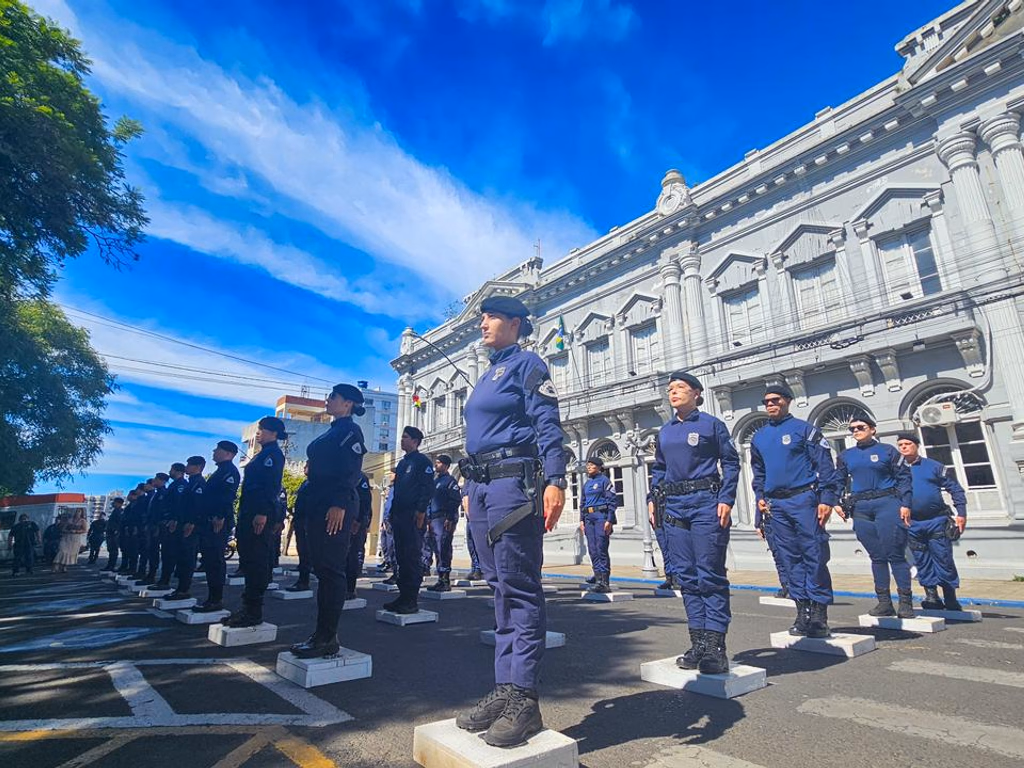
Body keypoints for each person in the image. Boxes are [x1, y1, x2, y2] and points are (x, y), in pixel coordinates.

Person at [456, 295, 565, 748]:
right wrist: (467, 489)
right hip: (481, 487)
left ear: (515, 323)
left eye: (491, 317)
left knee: (520, 588)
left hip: (513, 486)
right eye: (482, 316)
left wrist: (556, 478)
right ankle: (505, 688)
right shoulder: (486, 374)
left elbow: (548, 422)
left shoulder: (527, 364)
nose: (482, 323)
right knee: (498, 588)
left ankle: (524, 698)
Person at [649, 371, 739, 675]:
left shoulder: (711, 425)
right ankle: (698, 642)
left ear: (696, 393)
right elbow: (659, 469)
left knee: (709, 574)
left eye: (680, 388)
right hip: (674, 506)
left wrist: (726, 498)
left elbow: (730, 462)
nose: (673, 392)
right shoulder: (666, 431)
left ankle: (716, 647)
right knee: (686, 576)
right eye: (670, 388)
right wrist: (653, 498)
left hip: (705, 503)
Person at [750, 385, 840, 638]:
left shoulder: (805, 430)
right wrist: (760, 497)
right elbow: (759, 472)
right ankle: (802, 612)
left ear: (788, 401)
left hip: (804, 499)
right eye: (766, 401)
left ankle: (819, 614)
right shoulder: (760, 437)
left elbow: (824, 464)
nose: (770, 405)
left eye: (775, 400)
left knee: (814, 554)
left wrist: (827, 499)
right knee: (790, 558)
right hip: (777, 504)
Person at [289, 382, 366, 659]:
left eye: (333, 397)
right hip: (318, 504)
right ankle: (320, 633)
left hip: (335, 505)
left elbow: (351, 471)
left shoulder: (350, 431)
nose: (328, 400)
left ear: (347, 404)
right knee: (322, 569)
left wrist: (339, 503)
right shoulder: (334, 431)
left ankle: (327, 637)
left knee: (331, 570)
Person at [833, 417, 914, 618]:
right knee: (876, 556)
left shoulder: (888, 451)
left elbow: (904, 478)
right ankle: (884, 602)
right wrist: (834, 501)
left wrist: (906, 504)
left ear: (872, 430)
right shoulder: (846, 455)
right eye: (852, 429)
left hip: (887, 502)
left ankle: (905, 602)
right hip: (861, 507)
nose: (856, 431)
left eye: (861, 427)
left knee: (895, 553)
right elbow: (838, 480)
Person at [896, 433, 968, 611]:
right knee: (922, 560)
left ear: (916, 445)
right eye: (900, 445)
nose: (904, 447)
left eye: (907, 443)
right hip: (912, 524)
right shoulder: (895, 470)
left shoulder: (933, 467)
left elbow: (956, 489)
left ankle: (950, 597)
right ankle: (932, 597)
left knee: (943, 558)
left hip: (936, 520)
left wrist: (962, 513)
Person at [225, 418, 286, 626]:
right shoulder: (262, 454)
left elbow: (271, 486)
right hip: (248, 512)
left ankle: (253, 611)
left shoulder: (273, 455)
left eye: (263, 430)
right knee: (249, 559)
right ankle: (247, 608)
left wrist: (262, 512)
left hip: (259, 514)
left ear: (274, 433)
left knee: (257, 560)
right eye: (258, 429)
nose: (258, 433)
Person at [382, 427, 434, 614]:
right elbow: (398, 492)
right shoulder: (403, 464)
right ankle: (402, 596)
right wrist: (391, 516)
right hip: (399, 516)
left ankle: (411, 600)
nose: (401, 441)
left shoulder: (422, 462)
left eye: (405, 438)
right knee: (401, 556)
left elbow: (427, 489)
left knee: (412, 557)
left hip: (413, 516)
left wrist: (420, 511)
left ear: (415, 441)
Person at [193, 441, 241, 612]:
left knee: (215, 560)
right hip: (210, 519)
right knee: (209, 559)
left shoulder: (230, 472)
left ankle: (216, 599)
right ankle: (211, 598)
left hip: (218, 521)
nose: (214, 452)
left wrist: (219, 516)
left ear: (228, 453)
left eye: (218, 450)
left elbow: (226, 496)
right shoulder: (220, 471)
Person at [168, 456, 207, 600]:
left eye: (190, 465)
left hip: (190, 526)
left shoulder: (198, 484)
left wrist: (192, 522)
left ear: (198, 467)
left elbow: (198, 506)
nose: (187, 467)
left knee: (188, 557)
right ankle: (180, 588)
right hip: (182, 524)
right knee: (181, 557)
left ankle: (184, 589)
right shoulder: (190, 483)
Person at [424, 454, 463, 592]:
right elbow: (429, 501)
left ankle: (445, 579)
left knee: (443, 548)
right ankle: (440, 578)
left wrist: (451, 518)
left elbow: (455, 500)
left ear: (446, 466)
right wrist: (428, 518)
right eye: (436, 462)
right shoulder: (435, 482)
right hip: (433, 519)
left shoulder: (450, 481)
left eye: (439, 463)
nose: (436, 465)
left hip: (443, 519)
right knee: (435, 548)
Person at [580, 457, 619, 594]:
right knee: (592, 549)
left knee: (601, 548)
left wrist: (610, 520)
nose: (588, 467)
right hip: (588, 518)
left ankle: (604, 581)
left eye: (591, 465)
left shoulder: (605, 481)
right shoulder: (587, 484)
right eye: (588, 465)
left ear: (598, 467)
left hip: (601, 517)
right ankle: (597, 577)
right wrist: (581, 521)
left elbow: (612, 502)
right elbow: (582, 503)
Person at [151, 463, 187, 589]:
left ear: (177, 471)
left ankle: (165, 581)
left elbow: (178, 504)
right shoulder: (175, 485)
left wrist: (174, 519)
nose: (169, 472)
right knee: (166, 553)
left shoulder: (181, 485)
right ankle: (163, 580)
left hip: (172, 523)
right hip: (165, 522)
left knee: (170, 553)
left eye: (171, 470)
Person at [344, 472, 373, 599]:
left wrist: (359, 520)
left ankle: (350, 589)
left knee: (352, 554)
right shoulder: (341, 474)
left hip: (355, 521)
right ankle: (341, 586)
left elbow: (365, 501)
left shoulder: (360, 478)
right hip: (343, 520)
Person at [284, 463, 312, 592]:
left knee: (306, 552)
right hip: (300, 520)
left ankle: (304, 581)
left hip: (308, 521)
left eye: (307, 465)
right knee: (302, 550)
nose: (304, 467)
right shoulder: (305, 483)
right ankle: (302, 577)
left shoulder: (315, 483)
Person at [141, 473, 168, 582]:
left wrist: (158, 525)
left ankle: (154, 574)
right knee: (151, 550)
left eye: (156, 479)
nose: (154, 481)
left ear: (162, 481)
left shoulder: (163, 493)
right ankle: (150, 574)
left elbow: (162, 511)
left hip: (159, 526)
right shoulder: (156, 494)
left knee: (156, 550)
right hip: (151, 525)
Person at [53, 508, 88, 572]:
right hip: (66, 537)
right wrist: (68, 530)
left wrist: (76, 531)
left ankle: (64, 566)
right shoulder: (70, 520)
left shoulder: (83, 521)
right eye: (76, 511)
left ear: (81, 513)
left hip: (75, 539)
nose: (77, 513)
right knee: (61, 550)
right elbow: (63, 529)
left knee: (68, 553)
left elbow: (85, 530)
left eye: (79, 511)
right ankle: (56, 566)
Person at [463, 484, 484, 581]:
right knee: (471, 545)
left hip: (477, 517)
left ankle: (479, 569)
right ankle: (475, 567)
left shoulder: (477, 481)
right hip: (469, 519)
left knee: (479, 545)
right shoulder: (468, 483)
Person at [102, 497, 124, 572]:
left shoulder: (118, 511)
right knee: (111, 550)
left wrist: (115, 531)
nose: (113, 504)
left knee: (113, 550)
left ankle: (111, 565)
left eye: (114, 502)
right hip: (110, 533)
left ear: (119, 503)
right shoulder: (115, 511)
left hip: (113, 534)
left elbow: (119, 523)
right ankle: (110, 565)